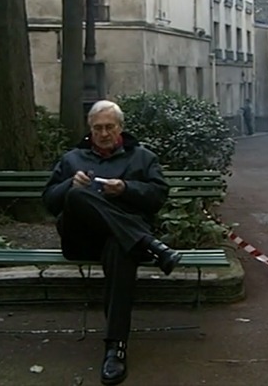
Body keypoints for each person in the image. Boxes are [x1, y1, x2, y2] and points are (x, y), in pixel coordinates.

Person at [42, 100, 182, 386]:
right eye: (98, 128)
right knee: (77, 195)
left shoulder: (142, 157)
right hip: (82, 240)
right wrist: (69, 184)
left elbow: (158, 197)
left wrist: (126, 189)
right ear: (90, 129)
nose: (103, 133)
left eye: (109, 127)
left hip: (122, 243)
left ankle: (115, 350)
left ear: (120, 127)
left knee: (121, 248)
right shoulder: (72, 159)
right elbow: (49, 202)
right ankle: (150, 244)